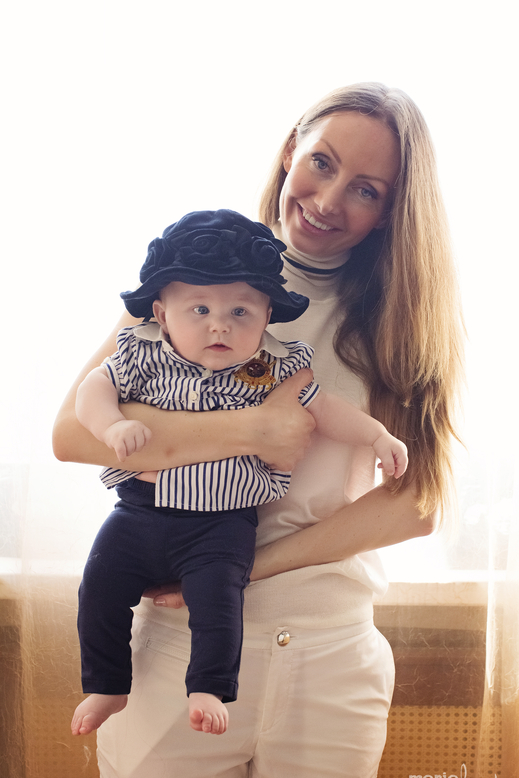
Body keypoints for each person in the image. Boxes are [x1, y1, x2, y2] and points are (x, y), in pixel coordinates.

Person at [53, 82, 464, 778]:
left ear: (390, 210)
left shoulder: (404, 318)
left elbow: (416, 503)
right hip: (173, 655)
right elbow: (71, 435)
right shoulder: (194, 273)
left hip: (326, 652)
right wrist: (252, 429)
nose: (328, 200)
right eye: (322, 162)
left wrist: (246, 569)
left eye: (366, 190)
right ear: (290, 150)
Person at [71, 209, 408, 738]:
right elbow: (91, 392)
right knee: (98, 586)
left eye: (240, 311)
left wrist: (377, 436)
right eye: (199, 309)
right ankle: (107, 683)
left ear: (267, 315)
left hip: (221, 524)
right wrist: (112, 425)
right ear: (161, 313)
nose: (220, 324)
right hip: (139, 514)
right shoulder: (142, 352)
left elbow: (327, 409)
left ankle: (208, 687)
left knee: (219, 604)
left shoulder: (273, 367)